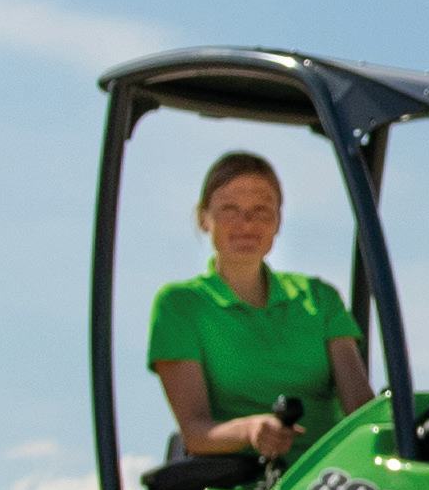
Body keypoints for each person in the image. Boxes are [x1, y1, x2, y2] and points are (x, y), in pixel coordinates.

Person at [147, 151, 376, 467]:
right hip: (242, 482)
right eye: (230, 210)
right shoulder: (181, 305)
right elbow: (196, 432)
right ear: (203, 217)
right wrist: (251, 430)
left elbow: (361, 408)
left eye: (261, 211)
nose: (246, 223)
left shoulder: (319, 298)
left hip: (335, 478)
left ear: (278, 221)